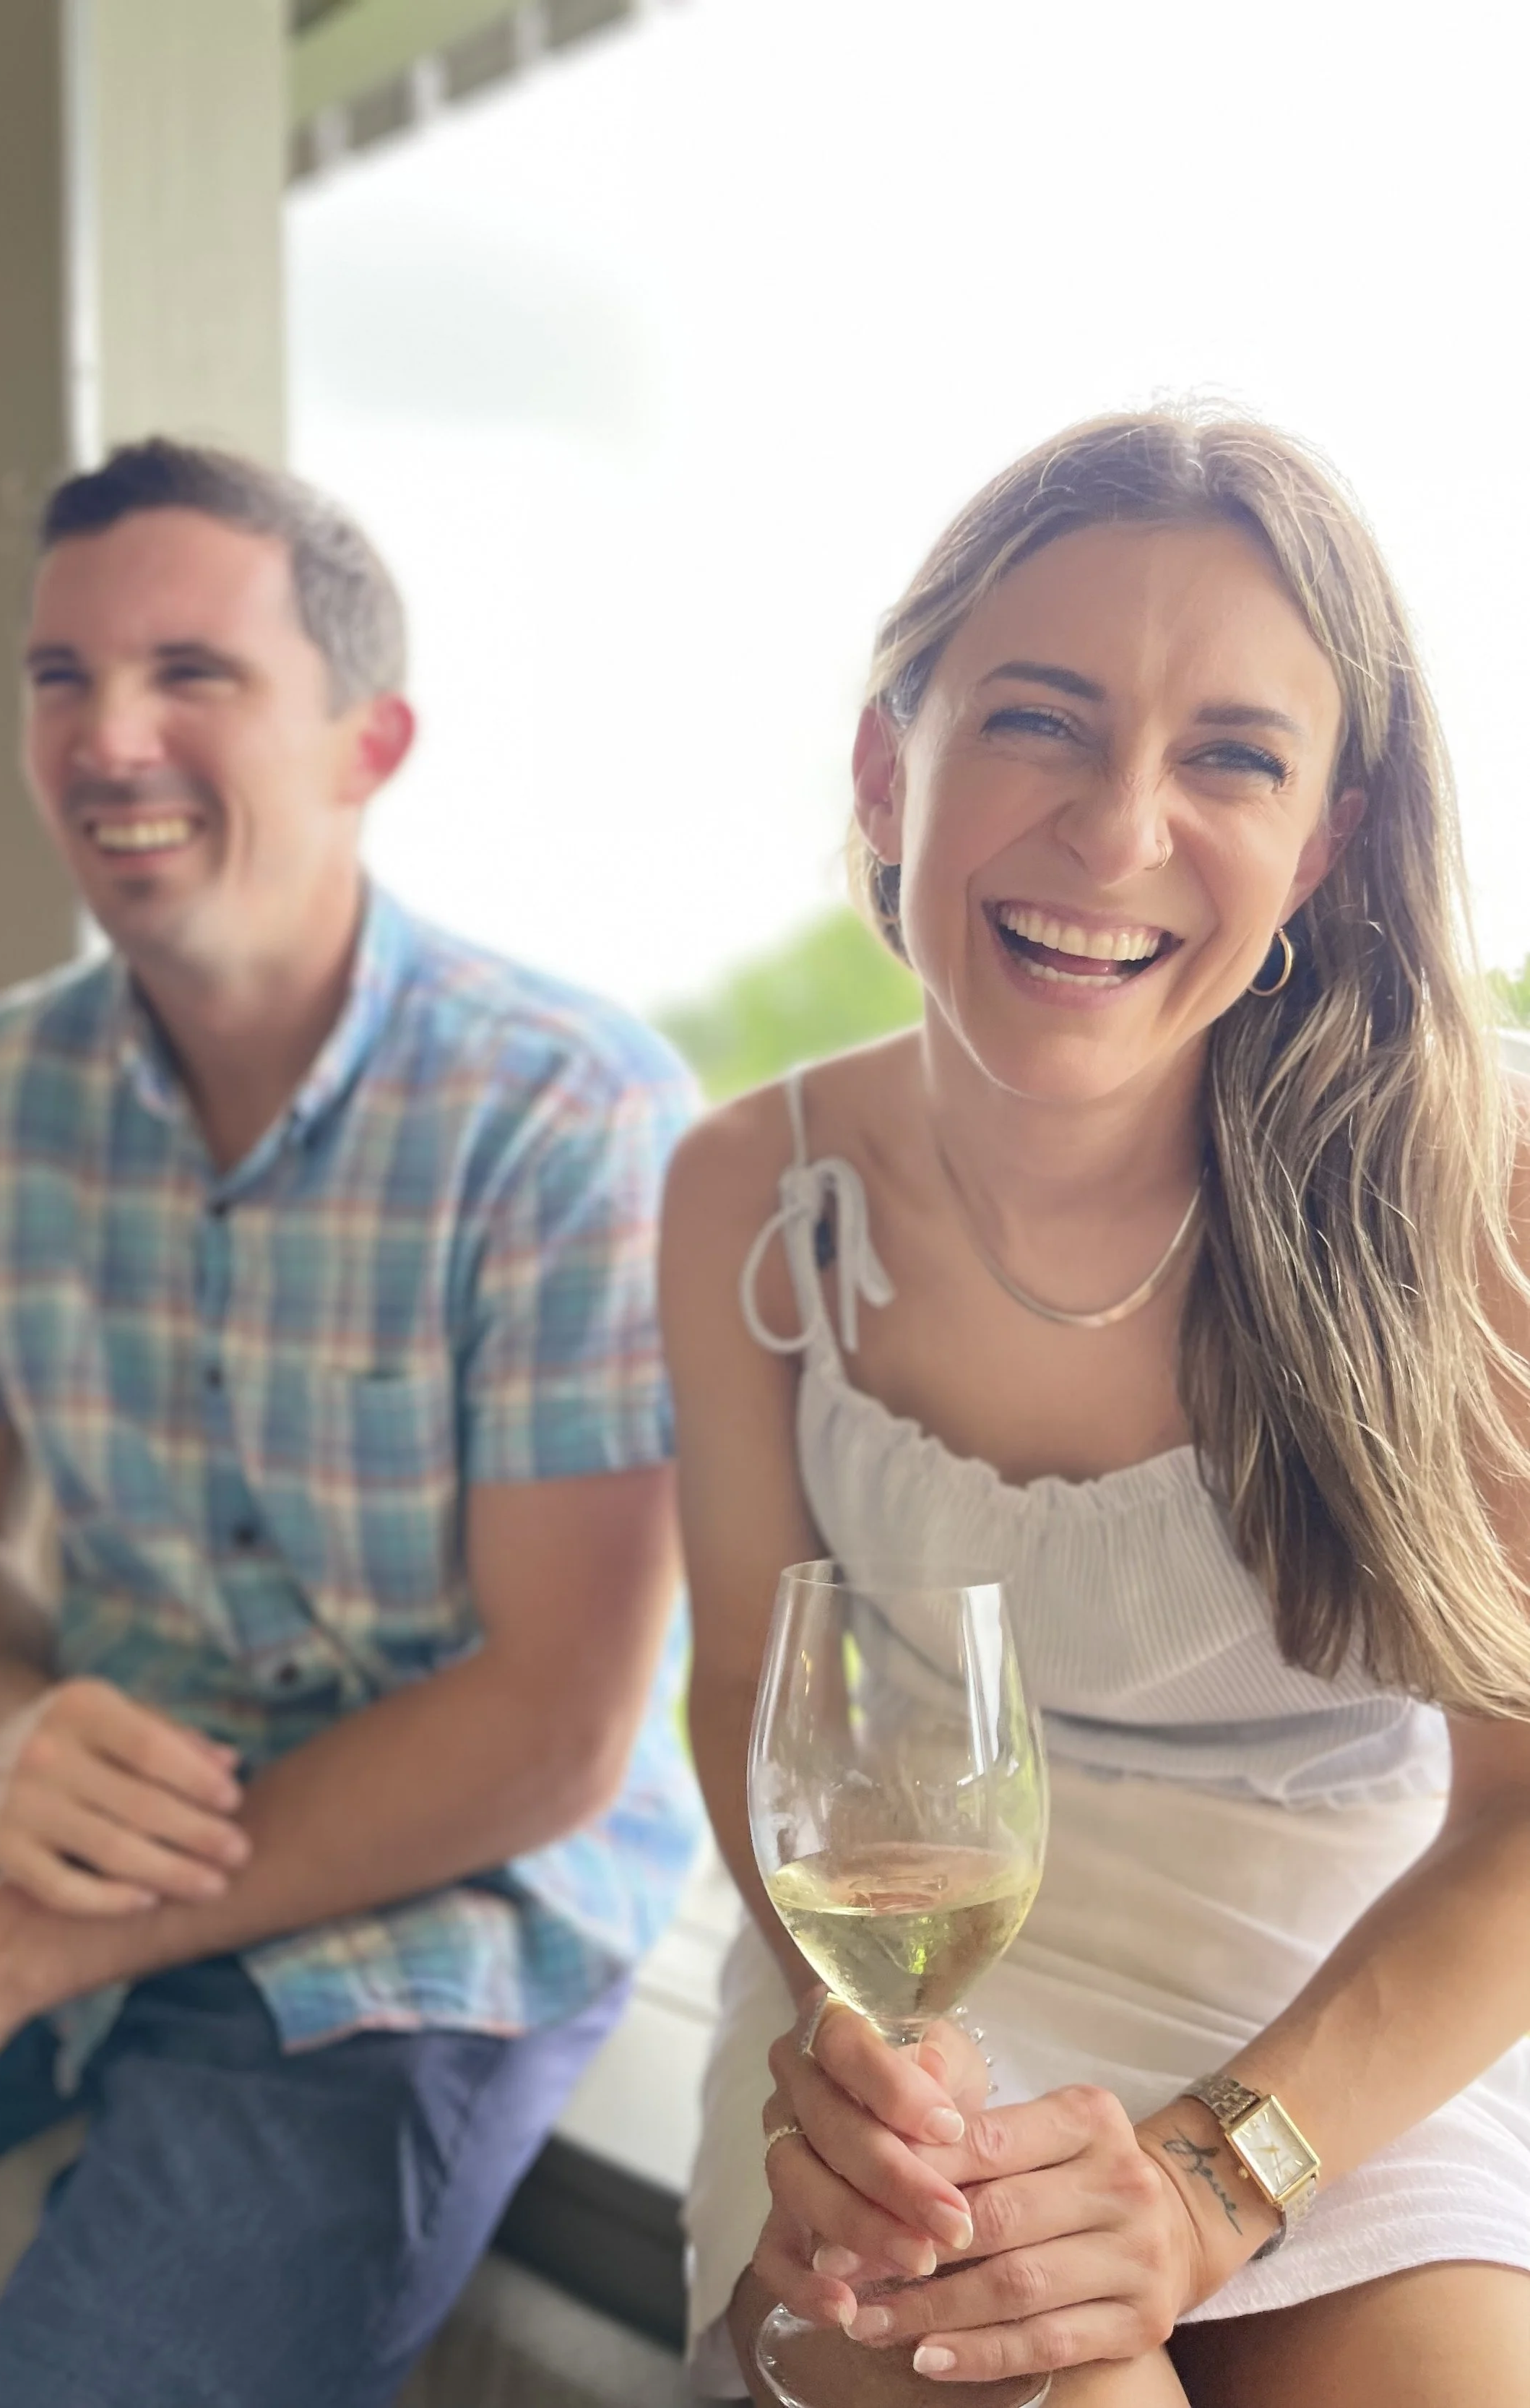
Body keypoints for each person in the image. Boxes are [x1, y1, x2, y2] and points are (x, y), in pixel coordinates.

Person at [0, 439, 699, 2408]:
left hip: (444, 1898)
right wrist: (3, 1735)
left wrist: (0, 1954)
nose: (109, 733)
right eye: (58, 676)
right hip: (84, 1808)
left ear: (370, 739)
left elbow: (554, 1727)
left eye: (193, 671)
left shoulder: (567, 1111)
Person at [663, 411, 1530, 2404]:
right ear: (893, 767)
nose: (1117, 828)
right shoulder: (746, 1192)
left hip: (1335, 1998)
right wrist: (856, 2062)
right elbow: (738, 1688)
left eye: (1229, 753)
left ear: (1317, 840)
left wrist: (1217, 2178)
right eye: (1040, 720)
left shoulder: (1473, 1190)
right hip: (900, 1958)